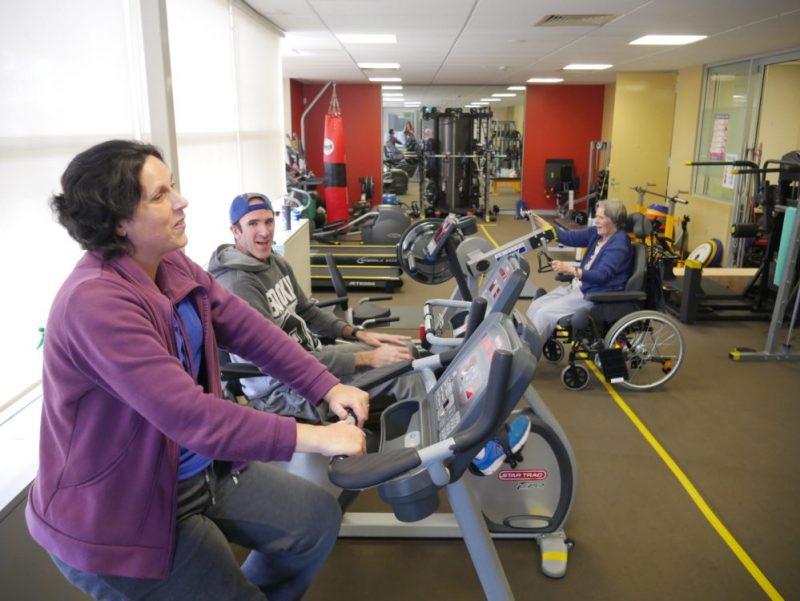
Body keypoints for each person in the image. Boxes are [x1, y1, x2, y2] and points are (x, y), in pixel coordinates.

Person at [26, 140, 368, 601]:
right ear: (119, 221)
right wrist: (320, 438)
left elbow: (249, 329)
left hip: (193, 470)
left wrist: (325, 386)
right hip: (121, 510)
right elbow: (193, 417)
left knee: (313, 522)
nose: (181, 200)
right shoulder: (96, 302)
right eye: (160, 195)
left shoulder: (168, 263)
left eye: (174, 187)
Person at [209, 193, 424, 421]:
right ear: (235, 231)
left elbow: (307, 312)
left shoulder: (274, 261)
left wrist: (359, 334)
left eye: (269, 221)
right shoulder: (238, 285)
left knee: (406, 349)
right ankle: (438, 452)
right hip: (284, 389)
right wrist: (366, 358)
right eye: (253, 223)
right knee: (404, 375)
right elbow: (281, 359)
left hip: (313, 359)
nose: (264, 231)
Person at [526, 198, 634, 341]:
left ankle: (527, 357)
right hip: (579, 287)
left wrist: (572, 270)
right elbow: (566, 237)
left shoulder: (619, 244)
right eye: (597, 216)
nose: (596, 221)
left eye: (601, 218)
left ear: (613, 220)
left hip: (594, 294)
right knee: (535, 306)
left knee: (543, 314)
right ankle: (523, 346)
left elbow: (602, 276)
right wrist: (541, 222)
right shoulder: (596, 233)